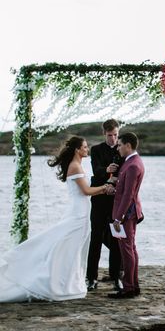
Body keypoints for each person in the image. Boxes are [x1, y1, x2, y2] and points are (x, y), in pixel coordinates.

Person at [0, 136, 112, 302]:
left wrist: (107, 181)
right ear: (77, 150)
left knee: (72, 246)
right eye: (85, 147)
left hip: (80, 209)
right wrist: (105, 188)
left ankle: (66, 280)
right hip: (78, 212)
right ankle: (55, 281)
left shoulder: (76, 165)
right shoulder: (75, 167)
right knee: (65, 244)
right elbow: (86, 191)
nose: (87, 149)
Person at [86, 119, 123, 291]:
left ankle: (116, 276)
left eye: (116, 135)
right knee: (96, 238)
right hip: (99, 198)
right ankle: (91, 278)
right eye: (110, 135)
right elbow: (96, 170)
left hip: (116, 200)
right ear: (104, 134)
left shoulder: (122, 149)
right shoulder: (96, 150)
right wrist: (107, 171)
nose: (113, 139)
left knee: (116, 238)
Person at [108, 132, 145, 299]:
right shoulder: (133, 162)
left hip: (126, 214)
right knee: (131, 249)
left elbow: (129, 194)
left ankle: (129, 287)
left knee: (127, 250)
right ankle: (134, 285)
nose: (118, 148)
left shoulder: (132, 165)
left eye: (120, 145)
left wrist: (118, 217)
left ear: (128, 145)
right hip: (130, 212)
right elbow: (125, 190)